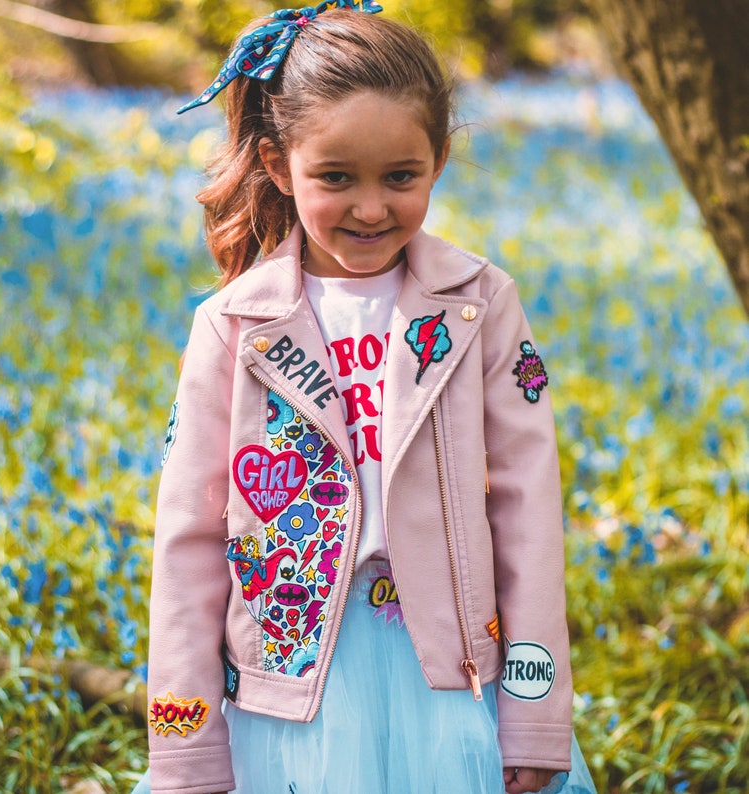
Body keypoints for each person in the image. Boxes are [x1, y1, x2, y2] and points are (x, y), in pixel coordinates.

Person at [134, 2, 598, 792]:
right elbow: (188, 540)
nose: (372, 207)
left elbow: (528, 513)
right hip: (288, 694)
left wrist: (534, 709)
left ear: (440, 159)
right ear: (281, 166)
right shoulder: (235, 325)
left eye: (401, 177)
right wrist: (185, 741)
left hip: (451, 675)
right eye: (336, 177)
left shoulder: (480, 304)